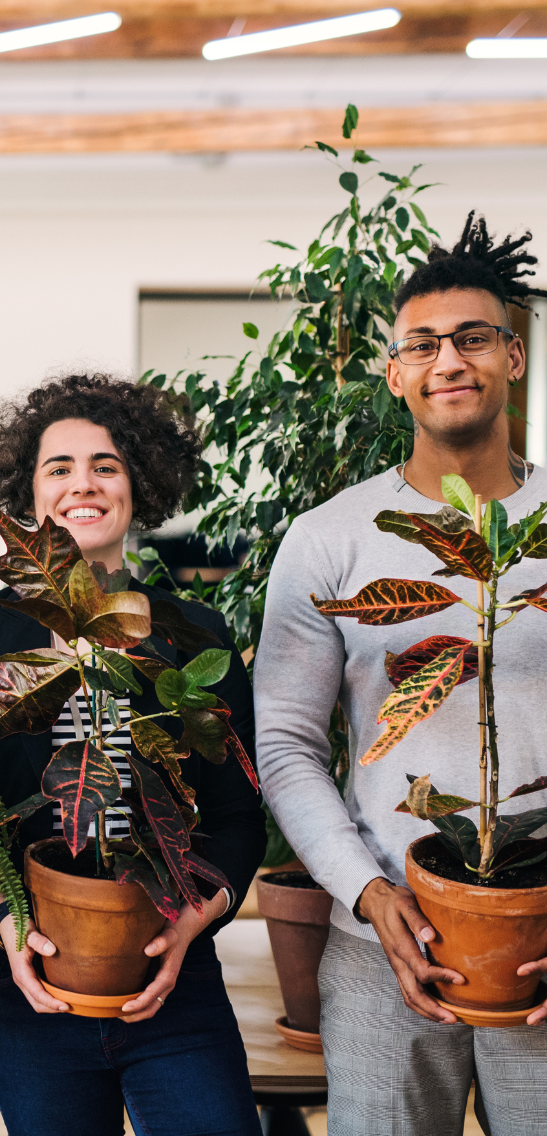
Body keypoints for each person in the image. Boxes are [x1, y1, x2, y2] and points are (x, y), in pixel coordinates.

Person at [255, 215, 547, 1136]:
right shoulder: (331, 538)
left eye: (471, 338)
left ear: (515, 355)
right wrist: (368, 893)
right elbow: (288, 744)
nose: (448, 361)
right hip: (381, 940)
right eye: (422, 344)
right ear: (395, 372)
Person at [0, 372, 265, 1136]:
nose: (85, 484)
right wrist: (5, 922)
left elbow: (240, 822)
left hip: (176, 981)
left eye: (106, 465)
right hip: (31, 985)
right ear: (28, 496)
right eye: (60, 468)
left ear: (139, 484)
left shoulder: (193, 636)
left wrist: (187, 932)